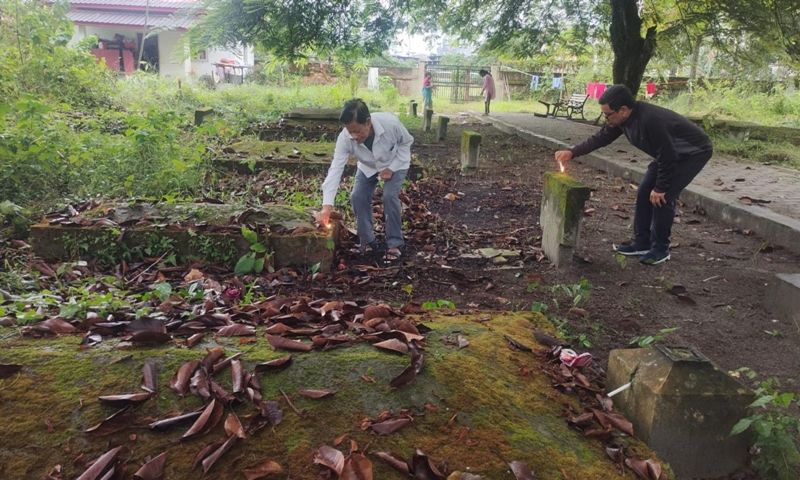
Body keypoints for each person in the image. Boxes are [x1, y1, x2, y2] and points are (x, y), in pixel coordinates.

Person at [554, 84, 713, 265]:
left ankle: (660, 249)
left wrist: (661, 187)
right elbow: (600, 138)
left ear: (623, 110)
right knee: (645, 192)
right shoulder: (621, 121)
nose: (605, 119)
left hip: (693, 153)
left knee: (662, 197)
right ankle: (642, 243)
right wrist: (572, 152)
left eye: (607, 114)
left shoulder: (650, 120)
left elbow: (668, 154)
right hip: (668, 155)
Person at [316, 99, 414, 265]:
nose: (353, 136)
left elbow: (406, 143)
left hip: (395, 161)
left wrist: (392, 168)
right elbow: (335, 169)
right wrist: (327, 206)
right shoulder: (345, 138)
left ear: (368, 122)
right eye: (350, 131)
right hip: (368, 165)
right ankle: (367, 241)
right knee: (358, 196)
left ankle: (395, 243)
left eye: (357, 131)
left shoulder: (390, 124)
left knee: (389, 196)